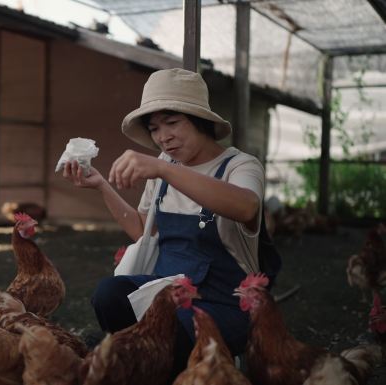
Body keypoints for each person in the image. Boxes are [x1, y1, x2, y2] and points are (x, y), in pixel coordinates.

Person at [62, 68, 265, 377]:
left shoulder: (239, 166)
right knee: (108, 294)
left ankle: (203, 362)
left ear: (201, 121)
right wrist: (103, 186)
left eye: (172, 123)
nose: (162, 137)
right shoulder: (164, 166)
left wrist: (163, 169)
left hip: (223, 302)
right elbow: (142, 230)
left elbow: (246, 205)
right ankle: (152, 366)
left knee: (173, 333)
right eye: (155, 128)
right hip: (164, 293)